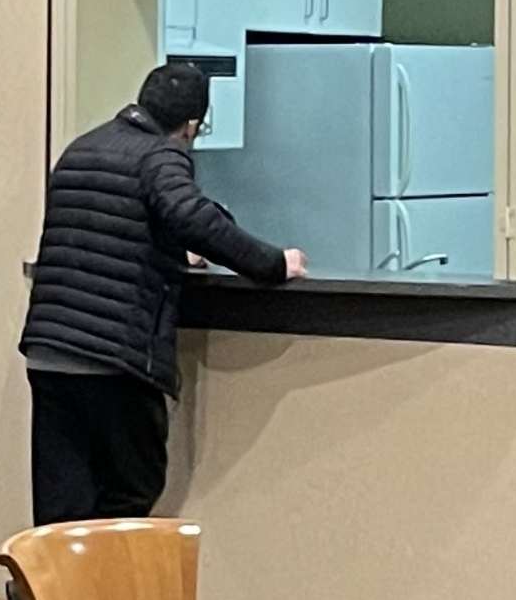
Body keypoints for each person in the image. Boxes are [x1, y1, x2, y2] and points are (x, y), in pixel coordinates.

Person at [17, 58, 304, 523]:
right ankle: (99, 590)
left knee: (61, 503)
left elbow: (107, 228)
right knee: (135, 485)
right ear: (191, 125)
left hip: (50, 352)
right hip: (115, 357)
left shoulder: (82, 148)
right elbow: (195, 219)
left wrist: (170, 252)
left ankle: (42, 594)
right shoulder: (160, 154)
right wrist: (274, 263)